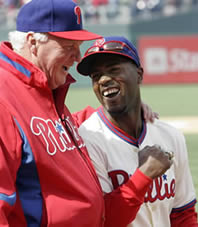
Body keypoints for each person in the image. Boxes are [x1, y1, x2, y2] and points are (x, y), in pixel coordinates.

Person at [0, 0, 173, 226]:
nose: (78, 57)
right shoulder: (6, 96)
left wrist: (124, 107)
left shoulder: (43, 91)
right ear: (33, 42)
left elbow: (43, 132)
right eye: (69, 46)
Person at [76, 36, 198, 227]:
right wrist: (144, 175)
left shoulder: (170, 135)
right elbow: (103, 221)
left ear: (139, 74)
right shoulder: (88, 140)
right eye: (96, 76)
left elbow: (183, 214)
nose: (104, 80)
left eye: (114, 70)